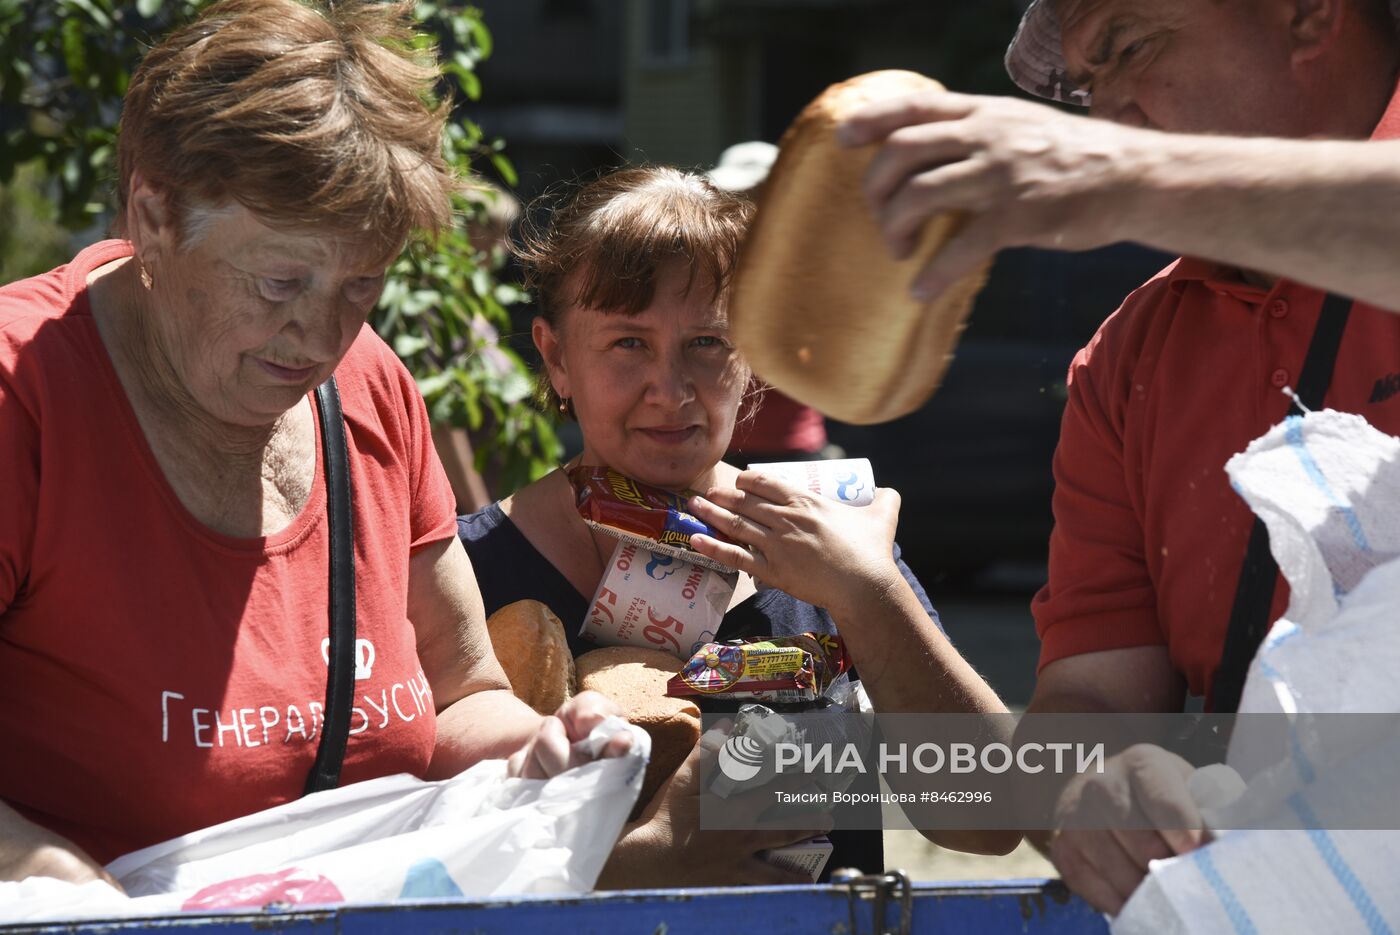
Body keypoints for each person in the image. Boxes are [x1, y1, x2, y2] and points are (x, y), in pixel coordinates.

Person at [0, 0, 624, 888]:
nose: (319, 335)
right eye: (279, 280)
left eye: (360, 285)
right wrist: (66, 889)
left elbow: (460, 698)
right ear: (154, 214)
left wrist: (543, 754)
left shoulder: (371, 387)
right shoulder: (22, 399)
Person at [840, 0, 1400, 914]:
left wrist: (1128, 179)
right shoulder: (1128, 358)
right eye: (1089, 89)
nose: (1107, 122)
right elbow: (1092, 699)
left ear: (1306, 15)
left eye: (1133, 47)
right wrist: (1093, 788)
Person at [457, 166, 1016, 888]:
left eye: (708, 342)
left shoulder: (831, 537)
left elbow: (992, 815)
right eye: (628, 343)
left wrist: (869, 592)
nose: (672, 389)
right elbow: (433, 860)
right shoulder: (467, 569)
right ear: (557, 355)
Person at [705, 141, 834, 466]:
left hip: (790, 448)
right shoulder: (709, 264)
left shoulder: (808, 266)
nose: (741, 205)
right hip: (717, 445)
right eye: (731, 195)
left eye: (754, 193)